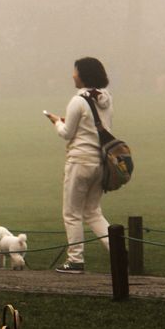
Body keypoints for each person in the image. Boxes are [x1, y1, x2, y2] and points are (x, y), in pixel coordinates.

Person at [45, 57, 114, 274]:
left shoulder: (77, 101)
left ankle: (75, 260)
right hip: (100, 162)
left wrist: (56, 121)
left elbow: (67, 134)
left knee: (72, 213)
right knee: (93, 211)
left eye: (75, 71)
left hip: (79, 162)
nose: (73, 75)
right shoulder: (106, 98)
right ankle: (119, 251)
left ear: (83, 75)